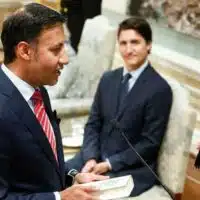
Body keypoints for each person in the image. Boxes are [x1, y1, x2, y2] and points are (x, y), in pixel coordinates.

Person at [0, 3, 108, 200]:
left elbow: (44, 160)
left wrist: (73, 177)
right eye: (56, 50)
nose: (65, 59)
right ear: (25, 51)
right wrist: (60, 198)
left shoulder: (38, 88)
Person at [66, 16, 173, 196]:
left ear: (149, 45)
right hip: (94, 159)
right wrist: (91, 158)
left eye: (135, 42)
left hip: (129, 169)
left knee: (86, 194)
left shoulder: (160, 89)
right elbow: (93, 123)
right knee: (55, 175)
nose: (128, 49)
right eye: (123, 43)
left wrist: (109, 164)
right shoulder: (108, 79)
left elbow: (149, 144)